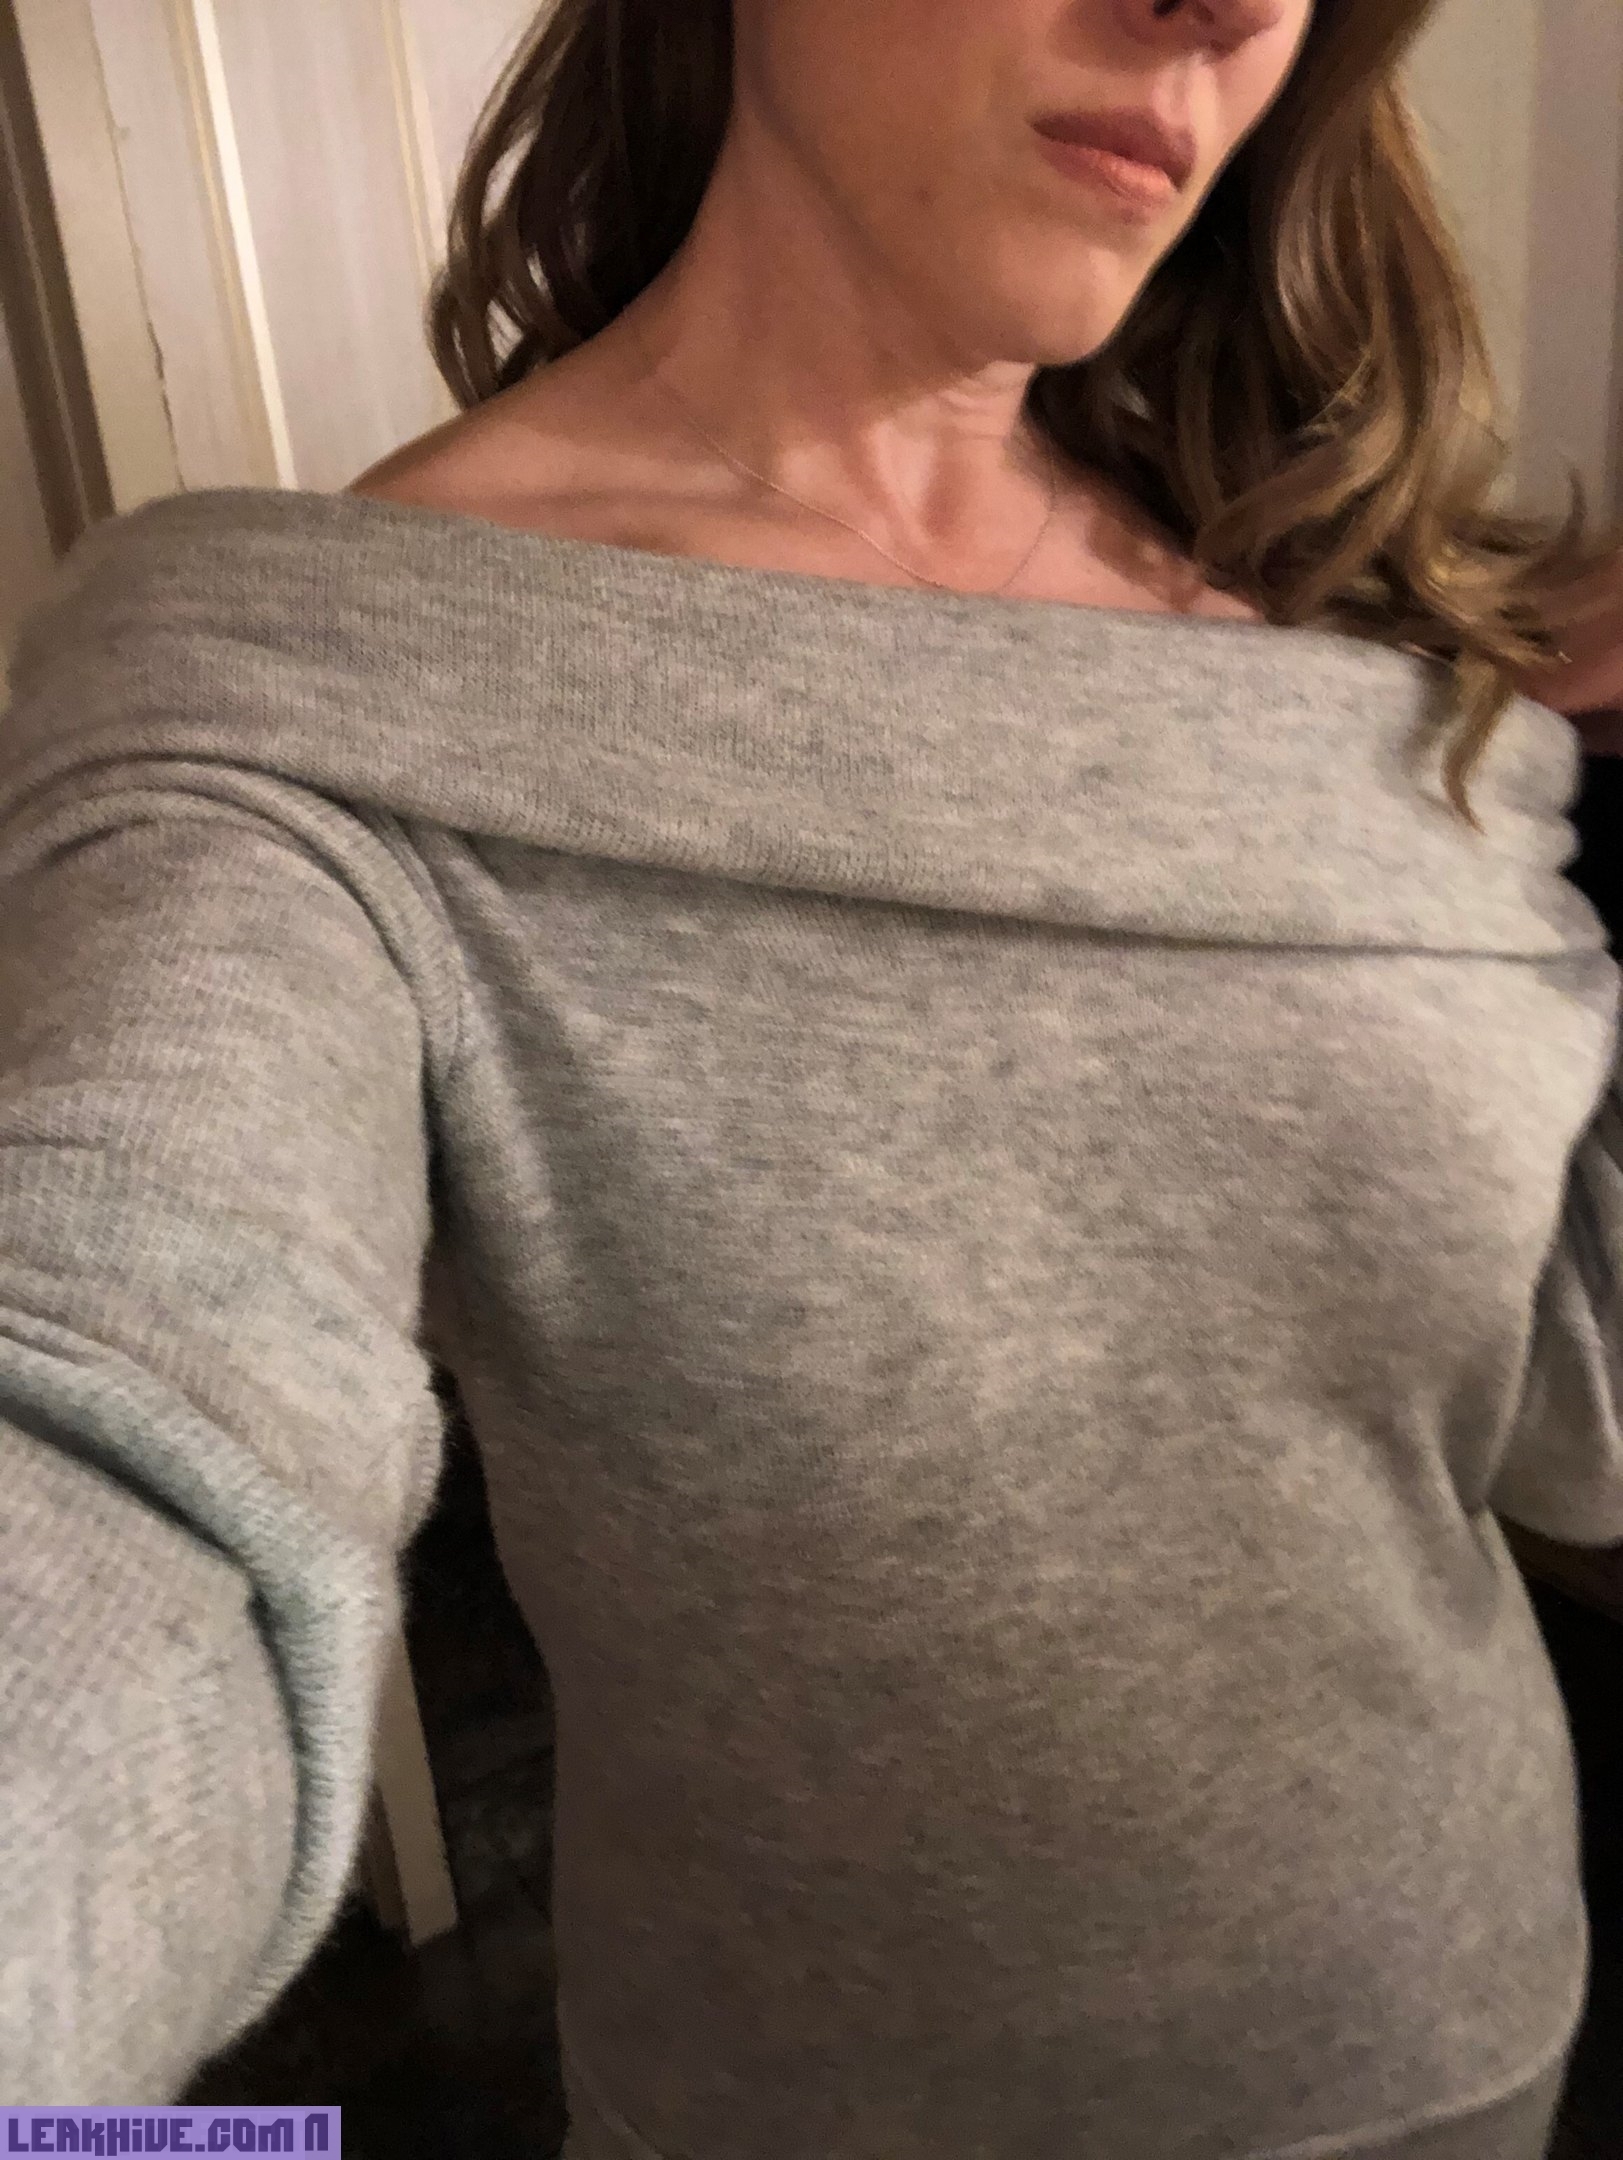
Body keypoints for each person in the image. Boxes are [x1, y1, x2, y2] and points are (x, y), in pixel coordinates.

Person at [2, 0, 1622, 2151]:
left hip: (1460, 2037)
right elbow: (128, 1416)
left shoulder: (1376, 659)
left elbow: (1579, 1419)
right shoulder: (315, 714)